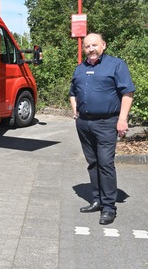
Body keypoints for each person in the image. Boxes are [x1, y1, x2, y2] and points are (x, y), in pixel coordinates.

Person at [69, 33, 135, 225]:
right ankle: (96, 200)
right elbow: (73, 92)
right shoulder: (80, 69)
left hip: (107, 123)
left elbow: (127, 92)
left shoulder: (116, 65)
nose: (91, 49)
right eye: (87, 46)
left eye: (95, 45)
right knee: (93, 163)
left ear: (103, 45)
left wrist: (122, 119)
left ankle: (109, 207)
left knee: (105, 163)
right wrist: (75, 110)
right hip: (84, 123)